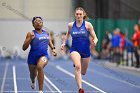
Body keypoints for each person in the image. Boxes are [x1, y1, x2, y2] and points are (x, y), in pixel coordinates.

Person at [61, 7, 98, 93]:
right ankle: (80, 89)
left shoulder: (88, 25)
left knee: (83, 72)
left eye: (80, 14)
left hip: (85, 51)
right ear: (75, 15)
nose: (78, 16)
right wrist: (63, 43)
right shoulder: (70, 25)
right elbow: (67, 35)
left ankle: (78, 65)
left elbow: (95, 37)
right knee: (78, 67)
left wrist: (95, 41)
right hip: (74, 50)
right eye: (77, 14)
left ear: (83, 15)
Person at [22, 16, 57, 93]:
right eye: (36, 21)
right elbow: (24, 48)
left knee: (40, 67)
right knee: (32, 74)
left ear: (42, 23)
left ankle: (40, 90)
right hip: (32, 57)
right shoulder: (30, 33)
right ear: (33, 24)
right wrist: (29, 39)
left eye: (40, 21)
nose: (38, 22)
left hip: (44, 55)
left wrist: (53, 49)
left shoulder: (46, 32)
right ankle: (33, 80)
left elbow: (49, 41)